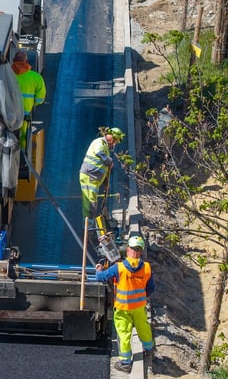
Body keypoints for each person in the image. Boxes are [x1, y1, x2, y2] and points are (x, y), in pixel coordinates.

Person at [95, 235, 155, 372]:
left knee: (124, 333)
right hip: (139, 307)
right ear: (141, 251)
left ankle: (126, 363)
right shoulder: (146, 267)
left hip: (123, 308)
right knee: (143, 327)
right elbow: (151, 288)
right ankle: (149, 348)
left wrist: (98, 269)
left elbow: (101, 277)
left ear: (128, 249)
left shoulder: (119, 268)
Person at [79, 126, 124, 225]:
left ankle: (89, 224)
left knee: (92, 202)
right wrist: (110, 161)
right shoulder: (99, 142)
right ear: (112, 138)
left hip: (94, 178)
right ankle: (88, 226)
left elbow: (104, 168)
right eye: (116, 141)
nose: (115, 144)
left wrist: (105, 183)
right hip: (89, 176)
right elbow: (99, 153)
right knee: (90, 202)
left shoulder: (106, 148)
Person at [11, 50, 46, 146]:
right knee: (23, 138)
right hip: (24, 114)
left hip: (8, 113)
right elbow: (40, 98)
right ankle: (21, 156)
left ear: (13, 61)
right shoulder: (36, 77)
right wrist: (32, 103)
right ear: (26, 61)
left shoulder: (7, 75)